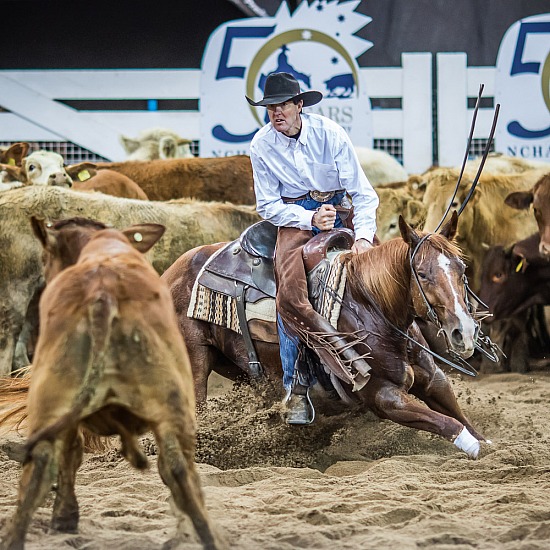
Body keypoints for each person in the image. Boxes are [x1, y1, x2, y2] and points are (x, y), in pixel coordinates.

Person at [246, 72, 379, 424]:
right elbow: (267, 205)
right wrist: (308, 219)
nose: (277, 113)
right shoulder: (261, 145)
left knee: (386, 270)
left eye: (284, 105)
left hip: (340, 210)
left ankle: (408, 349)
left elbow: (363, 194)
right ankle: (296, 387)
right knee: (289, 291)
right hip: (293, 220)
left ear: (299, 105)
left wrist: (364, 238)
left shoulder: (330, 134)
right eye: (271, 107)